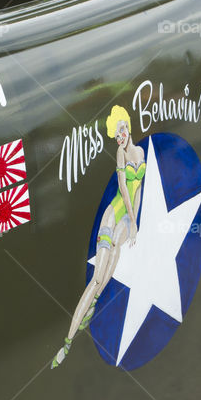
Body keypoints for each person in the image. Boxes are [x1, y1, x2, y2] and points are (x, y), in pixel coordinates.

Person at [53, 105, 145, 368]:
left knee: (104, 282)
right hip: (114, 215)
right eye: (116, 134)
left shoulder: (139, 153)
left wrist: (135, 222)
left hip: (127, 220)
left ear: (128, 126)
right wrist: (133, 221)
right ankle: (67, 342)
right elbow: (124, 190)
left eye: (122, 129)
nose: (120, 136)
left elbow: (138, 190)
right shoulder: (120, 153)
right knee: (96, 279)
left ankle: (88, 312)